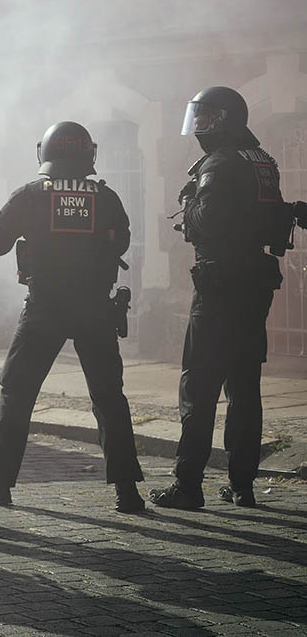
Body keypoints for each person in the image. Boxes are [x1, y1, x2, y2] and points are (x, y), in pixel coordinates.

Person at [0, 121, 145, 513]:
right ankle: (128, 491)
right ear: (88, 155)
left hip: (45, 307)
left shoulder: (32, 195)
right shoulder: (106, 196)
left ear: (44, 153)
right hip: (96, 307)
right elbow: (125, 239)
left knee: (17, 393)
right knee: (109, 397)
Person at [151, 87, 287, 510]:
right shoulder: (262, 160)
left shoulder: (221, 162)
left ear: (226, 119)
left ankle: (188, 485)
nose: (199, 126)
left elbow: (208, 218)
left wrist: (188, 202)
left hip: (220, 286)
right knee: (245, 386)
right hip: (255, 284)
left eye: (206, 117)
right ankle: (242, 484)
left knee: (200, 386)